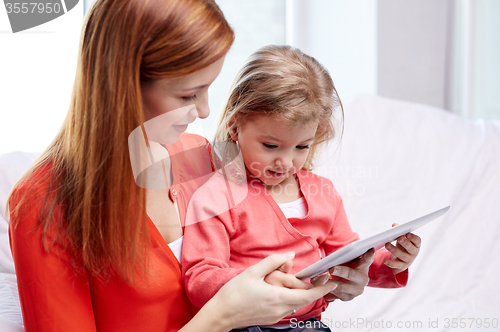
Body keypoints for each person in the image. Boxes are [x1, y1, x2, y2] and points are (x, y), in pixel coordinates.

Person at [6, 1, 345, 331]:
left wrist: (340, 278)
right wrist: (222, 317)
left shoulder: (202, 155)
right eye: (187, 95)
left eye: (209, 88)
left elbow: (280, 246)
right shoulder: (43, 204)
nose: (205, 112)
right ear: (122, 85)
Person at [181, 45, 422, 331]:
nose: (285, 161)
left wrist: (392, 262)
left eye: (301, 147)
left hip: (309, 325)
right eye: (270, 145)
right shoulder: (217, 196)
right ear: (235, 127)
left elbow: (350, 260)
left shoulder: (324, 194)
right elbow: (199, 278)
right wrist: (254, 282)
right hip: (246, 326)